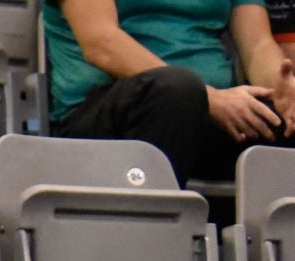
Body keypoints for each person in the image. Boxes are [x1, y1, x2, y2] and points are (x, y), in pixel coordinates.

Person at [48, 0, 295, 183]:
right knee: (177, 91)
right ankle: (152, 239)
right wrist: (210, 98)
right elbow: (100, 43)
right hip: (107, 111)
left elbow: (257, 45)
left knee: (287, 120)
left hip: (211, 115)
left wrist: (280, 86)